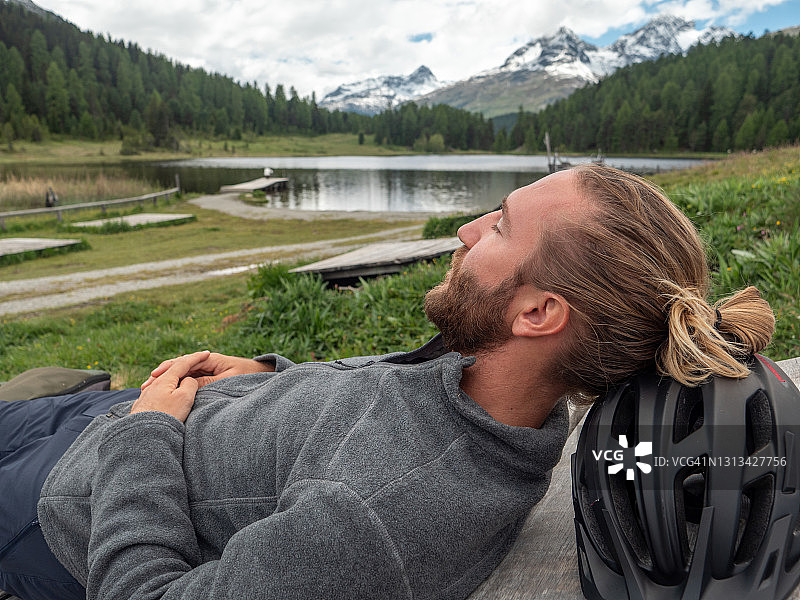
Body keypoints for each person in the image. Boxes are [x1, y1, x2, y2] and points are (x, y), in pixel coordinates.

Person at [0, 165, 776, 600]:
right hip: (133, 419)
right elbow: (380, 399)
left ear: (538, 313)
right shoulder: (494, 384)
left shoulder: (382, 517)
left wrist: (148, 431)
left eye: (499, 226)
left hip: (67, 500)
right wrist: (268, 375)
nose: (465, 231)